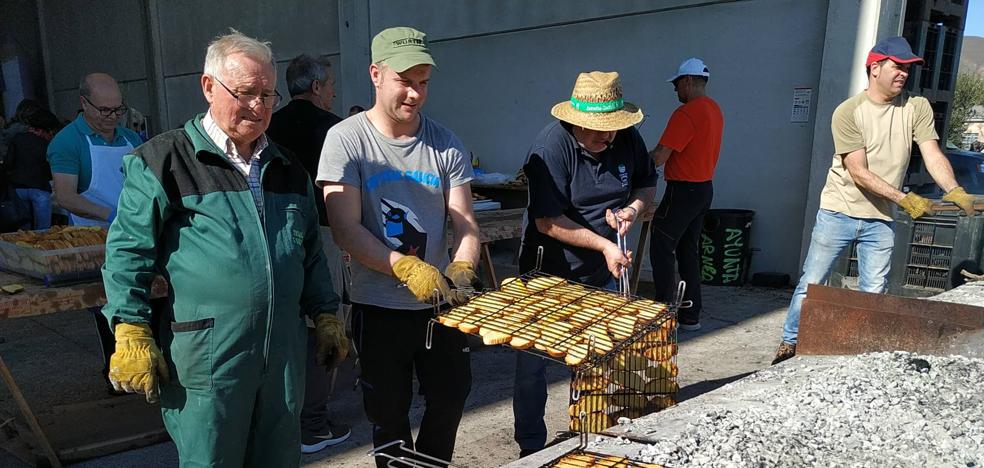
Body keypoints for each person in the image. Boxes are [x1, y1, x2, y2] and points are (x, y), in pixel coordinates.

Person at [100, 30, 348, 466]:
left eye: (268, 95)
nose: (258, 106)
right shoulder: (164, 162)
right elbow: (127, 254)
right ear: (208, 86)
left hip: (283, 359)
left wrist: (326, 312)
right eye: (246, 93)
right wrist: (130, 329)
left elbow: (308, 252)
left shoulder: (288, 168)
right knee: (211, 460)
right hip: (209, 359)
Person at [317, 26, 480, 468]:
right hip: (379, 306)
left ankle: (431, 466)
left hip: (440, 306)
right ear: (375, 74)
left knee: (451, 397)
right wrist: (404, 268)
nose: (415, 94)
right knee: (387, 414)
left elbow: (465, 224)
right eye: (405, 81)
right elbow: (345, 229)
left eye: (423, 82)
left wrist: (463, 267)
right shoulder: (347, 140)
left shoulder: (444, 143)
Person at [772, 36, 977, 364]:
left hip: (881, 216)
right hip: (838, 210)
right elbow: (858, 171)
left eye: (908, 69)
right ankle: (789, 344)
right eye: (898, 67)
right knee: (812, 282)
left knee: (874, 292)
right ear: (875, 68)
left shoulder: (916, 107)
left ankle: (861, 353)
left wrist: (954, 190)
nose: (904, 74)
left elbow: (932, 153)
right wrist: (906, 199)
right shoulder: (848, 112)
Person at [514, 71, 657, 457]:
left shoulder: (625, 137)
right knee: (533, 365)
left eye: (611, 129)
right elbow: (547, 221)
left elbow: (646, 182)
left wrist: (632, 209)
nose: (607, 137)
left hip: (601, 270)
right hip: (547, 270)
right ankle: (531, 448)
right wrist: (604, 246)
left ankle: (592, 435)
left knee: (598, 357)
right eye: (597, 130)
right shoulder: (550, 147)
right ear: (575, 120)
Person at [267, 53, 351, 454]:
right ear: (316, 87)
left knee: (287, 325)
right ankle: (313, 423)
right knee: (325, 323)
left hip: (274, 235)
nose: (333, 91)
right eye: (330, 84)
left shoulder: (270, 126)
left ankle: (285, 416)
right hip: (324, 233)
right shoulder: (335, 130)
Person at [46, 74, 144, 393]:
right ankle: (116, 377)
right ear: (83, 104)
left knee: (144, 307)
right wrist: (113, 215)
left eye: (118, 110)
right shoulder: (66, 142)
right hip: (95, 242)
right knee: (109, 313)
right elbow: (65, 195)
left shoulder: (131, 139)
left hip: (139, 238)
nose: (112, 118)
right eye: (104, 111)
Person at [647, 57, 724, 332]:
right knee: (688, 250)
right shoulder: (714, 110)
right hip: (703, 189)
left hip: (682, 190)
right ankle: (691, 314)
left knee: (661, 245)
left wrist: (630, 164)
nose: (675, 91)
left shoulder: (687, 113)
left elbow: (659, 156)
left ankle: (663, 314)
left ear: (688, 81)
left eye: (677, 84)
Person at [5, 107, 60, 230]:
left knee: (23, 228)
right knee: (43, 230)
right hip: (40, 188)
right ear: (44, 130)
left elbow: (8, 163)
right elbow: (50, 169)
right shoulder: (46, 144)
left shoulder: (17, 139)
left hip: (18, 188)